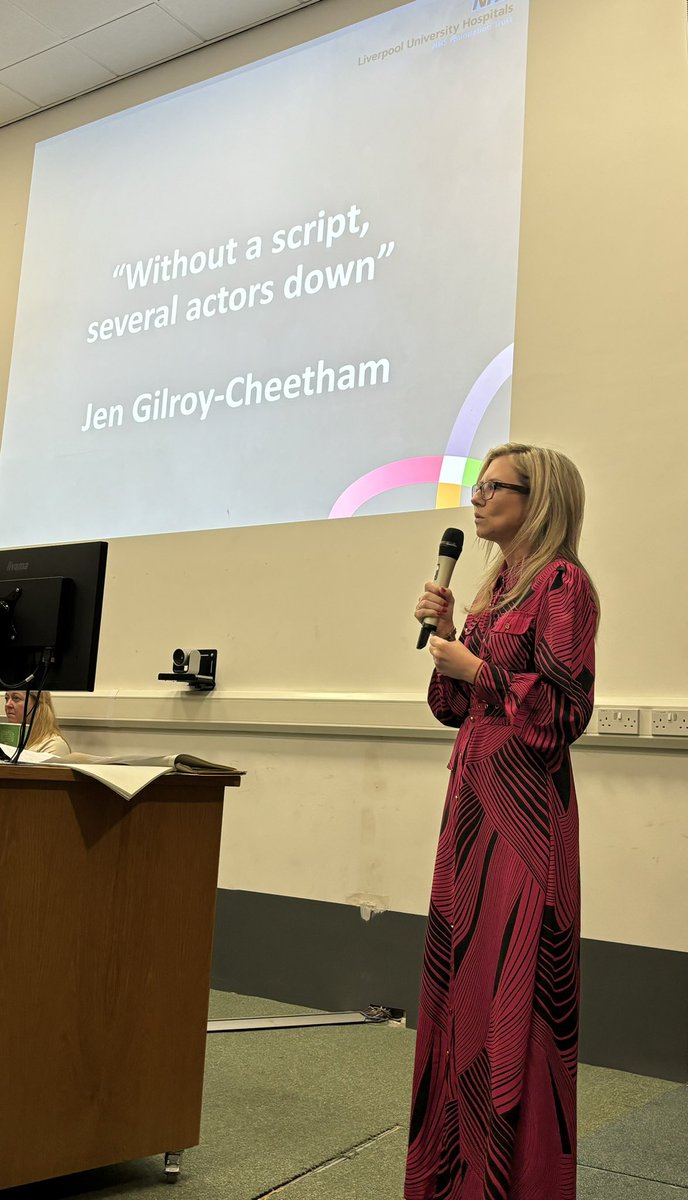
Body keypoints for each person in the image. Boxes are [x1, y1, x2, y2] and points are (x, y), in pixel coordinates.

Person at [405, 443, 598, 1200]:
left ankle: (515, 1183)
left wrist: (478, 669)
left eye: (494, 487)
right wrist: (452, 637)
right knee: (464, 985)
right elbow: (454, 707)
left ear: (537, 497)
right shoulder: (496, 589)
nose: (478, 498)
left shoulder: (563, 583)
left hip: (523, 814)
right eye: (477, 485)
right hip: (473, 804)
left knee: (511, 991)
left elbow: (565, 712)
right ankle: (455, 1177)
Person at [4, 689, 71, 755]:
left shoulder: (53, 745)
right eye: (6, 698)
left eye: (16, 698)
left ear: (37, 704)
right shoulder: (9, 740)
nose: (7, 704)